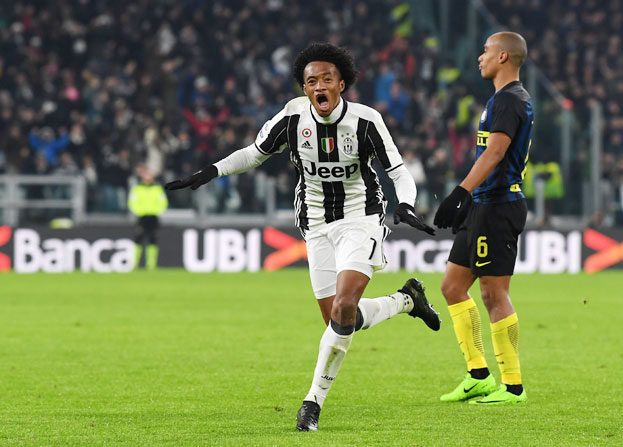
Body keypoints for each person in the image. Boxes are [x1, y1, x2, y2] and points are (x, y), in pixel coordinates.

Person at [165, 43, 440, 430]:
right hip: (314, 224)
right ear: (305, 89)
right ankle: (406, 300)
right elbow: (254, 153)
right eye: (311, 81)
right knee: (337, 319)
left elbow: (398, 170)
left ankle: (312, 403)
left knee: (344, 306)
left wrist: (407, 203)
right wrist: (211, 172)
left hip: (361, 218)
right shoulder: (292, 117)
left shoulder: (366, 121)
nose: (319, 86)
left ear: (341, 84)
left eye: (327, 78)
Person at [433, 32, 533, 405]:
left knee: (493, 293)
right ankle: (478, 374)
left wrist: (461, 191)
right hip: (483, 205)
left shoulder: (509, 100)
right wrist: (469, 197)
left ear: (503, 56)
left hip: (498, 206)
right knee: (453, 286)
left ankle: (512, 386)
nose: (480, 57)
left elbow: (495, 152)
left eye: (486, 51)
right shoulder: (500, 99)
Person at [128, 165, 168, 270]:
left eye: (150, 175)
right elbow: (132, 203)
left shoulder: (157, 188)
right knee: (138, 239)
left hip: (153, 216)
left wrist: (156, 211)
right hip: (142, 217)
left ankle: (151, 264)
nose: (148, 177)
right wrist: (140, 211)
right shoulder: (137, 188)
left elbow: (163, 202)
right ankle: (135, 263)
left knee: (153, 239)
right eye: (146, 175)